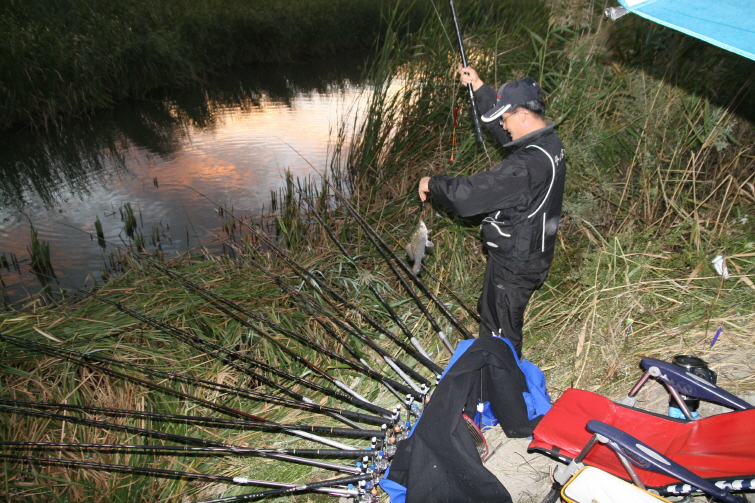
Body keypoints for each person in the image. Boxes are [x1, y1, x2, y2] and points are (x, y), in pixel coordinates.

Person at [418, 66, 566, 356]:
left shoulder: (525, 167)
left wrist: (433, 183)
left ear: (523, 114)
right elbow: (509, 136)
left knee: (500, 332)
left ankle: (504, 386)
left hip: (516, 263)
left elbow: (469, 197)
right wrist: (480, 89)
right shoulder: (548, 141)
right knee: (496, 315)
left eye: (506, 117)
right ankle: (500, 375)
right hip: (533, 249)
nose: (504, 125)